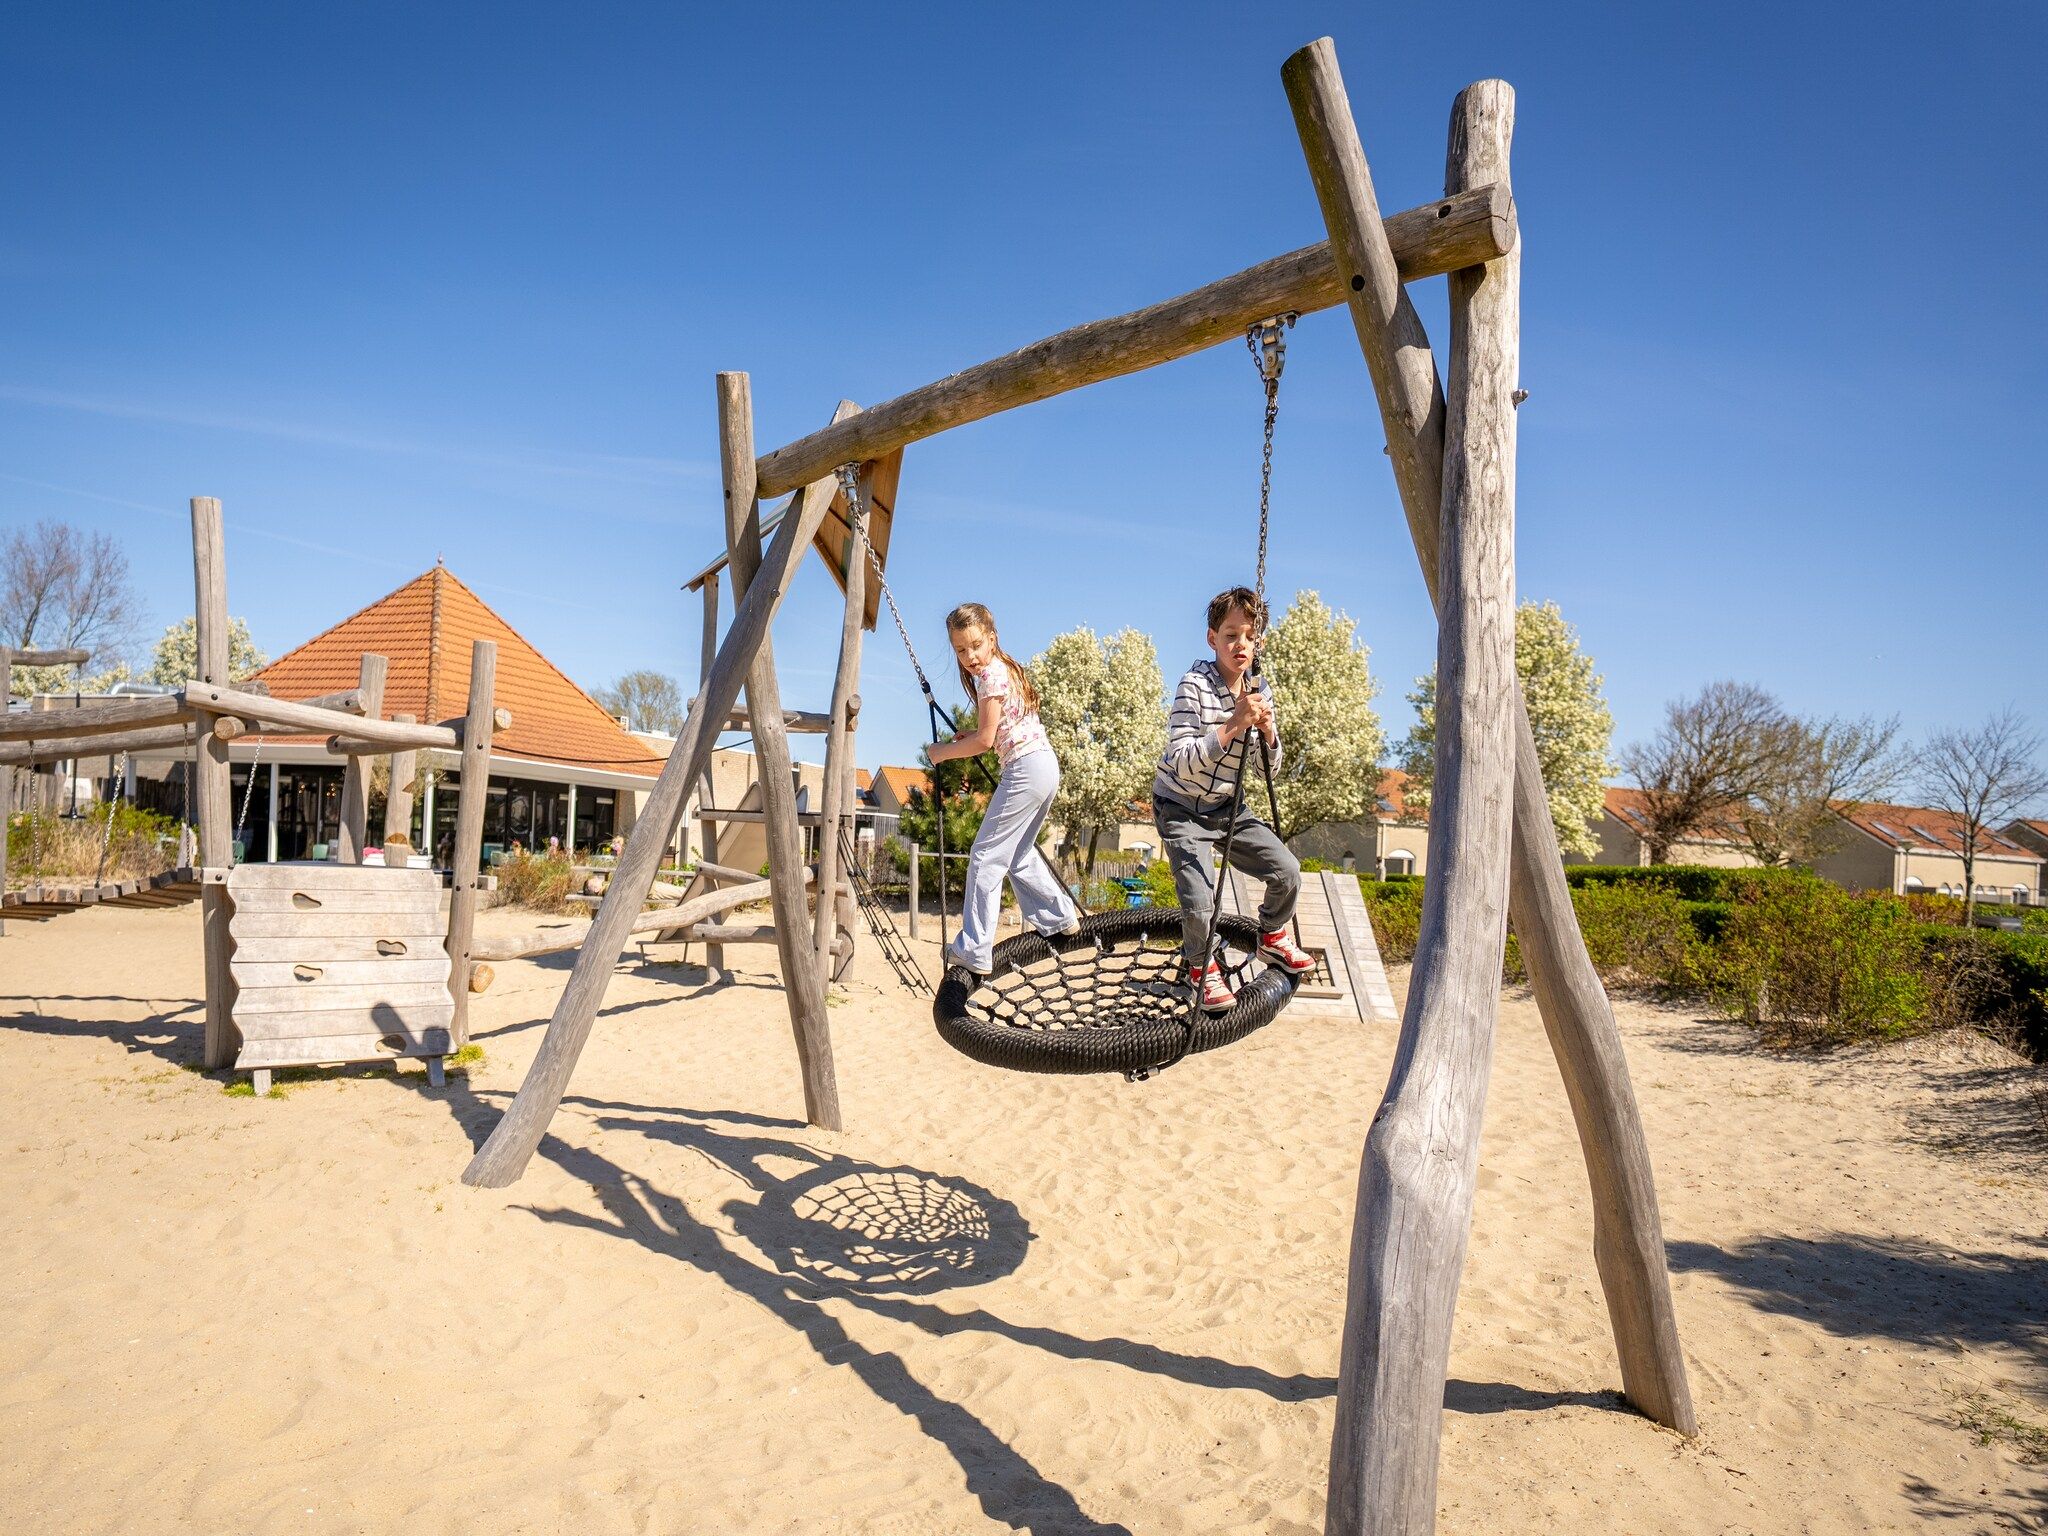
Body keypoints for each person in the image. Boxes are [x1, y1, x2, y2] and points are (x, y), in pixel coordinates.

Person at [1152, 585, 1316, 1012]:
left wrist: (1267, 733)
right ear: (1212, 639)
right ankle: (1199, 968)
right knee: (1200, 899)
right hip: (1180, 806)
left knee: (1288, 872)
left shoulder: (1260, 690)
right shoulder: (1194, 686)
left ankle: (1272, 937)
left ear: (1257, 640)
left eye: (1247, 635)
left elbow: (1268, 771)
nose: (1239, 644)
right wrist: (1231, 725)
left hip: (1228, 807)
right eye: (1229, 635)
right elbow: (1182, 760)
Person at [927, 601, 1079, 975]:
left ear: (991, 640)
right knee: (1018, 853)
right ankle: (1060, 916)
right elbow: (990, 733)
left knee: (985, 856)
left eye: (976, 645)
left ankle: (975, 948)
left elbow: (984, 741)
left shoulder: (989, 676)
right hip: (1044, 765)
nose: (970, 656)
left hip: (1026, 769)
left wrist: (942, 753)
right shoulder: (1004, 669)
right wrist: (974, 737)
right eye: (961, 649)